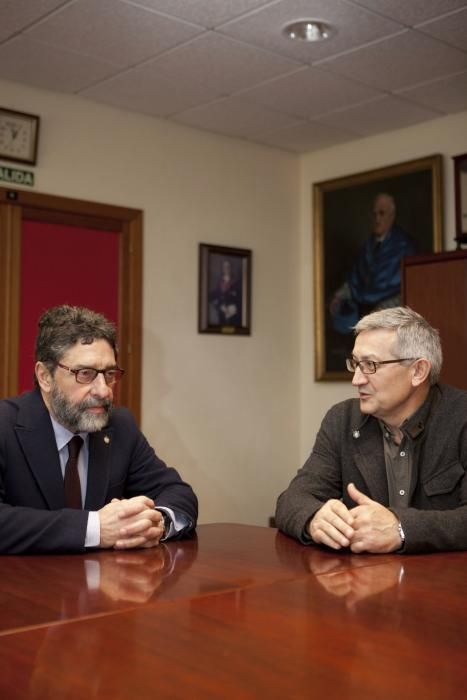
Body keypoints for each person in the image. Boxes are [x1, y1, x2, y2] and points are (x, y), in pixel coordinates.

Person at [0, 305, 198, 554]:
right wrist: (95, 528)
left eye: (109, 374)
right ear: (45, 377)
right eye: (85, 374)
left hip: (102, 587)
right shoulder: (5, 425)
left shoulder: (120, 425)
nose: (104, 390)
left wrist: (157, 521)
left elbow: (178, 492)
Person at [275, 306, 467, 554]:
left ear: (418, 371)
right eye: (355, 364)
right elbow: (291, 500)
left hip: (446, 585)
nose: (356, 379)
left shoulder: (460, 417)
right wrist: (315, 518)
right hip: (362, 584)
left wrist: (401, 529)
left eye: (370, 365)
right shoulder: (342, 420)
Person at [330, 194, 416, 334]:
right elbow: (356, 278)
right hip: (364, 308)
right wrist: (340, 295)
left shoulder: (404, 245)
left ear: (392, 216)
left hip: (390, 311)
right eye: (374, 214)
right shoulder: (368, 246)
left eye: (381, 213)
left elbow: (407, 287)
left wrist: (382, 309)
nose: (377, 219)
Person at [208, 259, 242, 326]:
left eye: (228, 267)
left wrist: (235, 307)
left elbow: (241, 299)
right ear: (223, 269)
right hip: (222, 313)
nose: (226, 269)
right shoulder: (219, 282)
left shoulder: (237, 282)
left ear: (231, 268)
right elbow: (214, 298)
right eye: (225, 267)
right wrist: (220, 306)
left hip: (234, 314)